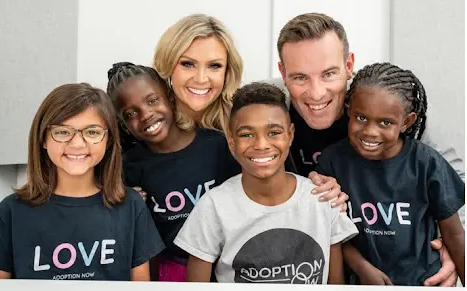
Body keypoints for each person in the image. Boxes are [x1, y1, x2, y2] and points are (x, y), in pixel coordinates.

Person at [265, 12, 464, 286]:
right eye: (300, 77)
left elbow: (454, 178)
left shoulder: (382, 99)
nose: (317, 92)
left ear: (349, 65)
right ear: (283, 73)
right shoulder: (268, 108)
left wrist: (450, 249)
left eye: (329, 74)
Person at [150, 14, 346, 206]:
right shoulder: (144, 123)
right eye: (187, 64)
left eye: (214, 66)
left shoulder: (246, 115)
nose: (201, 78)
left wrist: (313, 187)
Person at [0, 83, 165, 280]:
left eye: (92, 132)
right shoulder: (11, 211)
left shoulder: (132, 207)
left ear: (108, 141)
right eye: (63, 132)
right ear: (43, 139)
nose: (77, 143)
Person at [174, 83, 359, 284]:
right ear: (231, 141)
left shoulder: (323, 200)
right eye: (247, 134)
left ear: (290, 135)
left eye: (273, 133)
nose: (261, 144)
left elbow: (336, 285)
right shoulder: (214, 206)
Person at [317, 62, 465, 286]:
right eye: (361, 118)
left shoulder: (426, 163)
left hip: (423, 283)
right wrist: (360, 266)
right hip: (360, 283)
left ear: (407, 122)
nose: (370, 131)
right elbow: (329, 234)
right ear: (349, 111)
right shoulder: (332, 162)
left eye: (385, 122)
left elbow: (454, 235)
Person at [106, 62, 239, 281]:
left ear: (168, 94)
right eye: (131, 113)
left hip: (229, 267)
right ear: (123, 123)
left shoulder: (217, 145)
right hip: (171, 274)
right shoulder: (129, 166)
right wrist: (128, 202)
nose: (146, 114)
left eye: (152, 100)